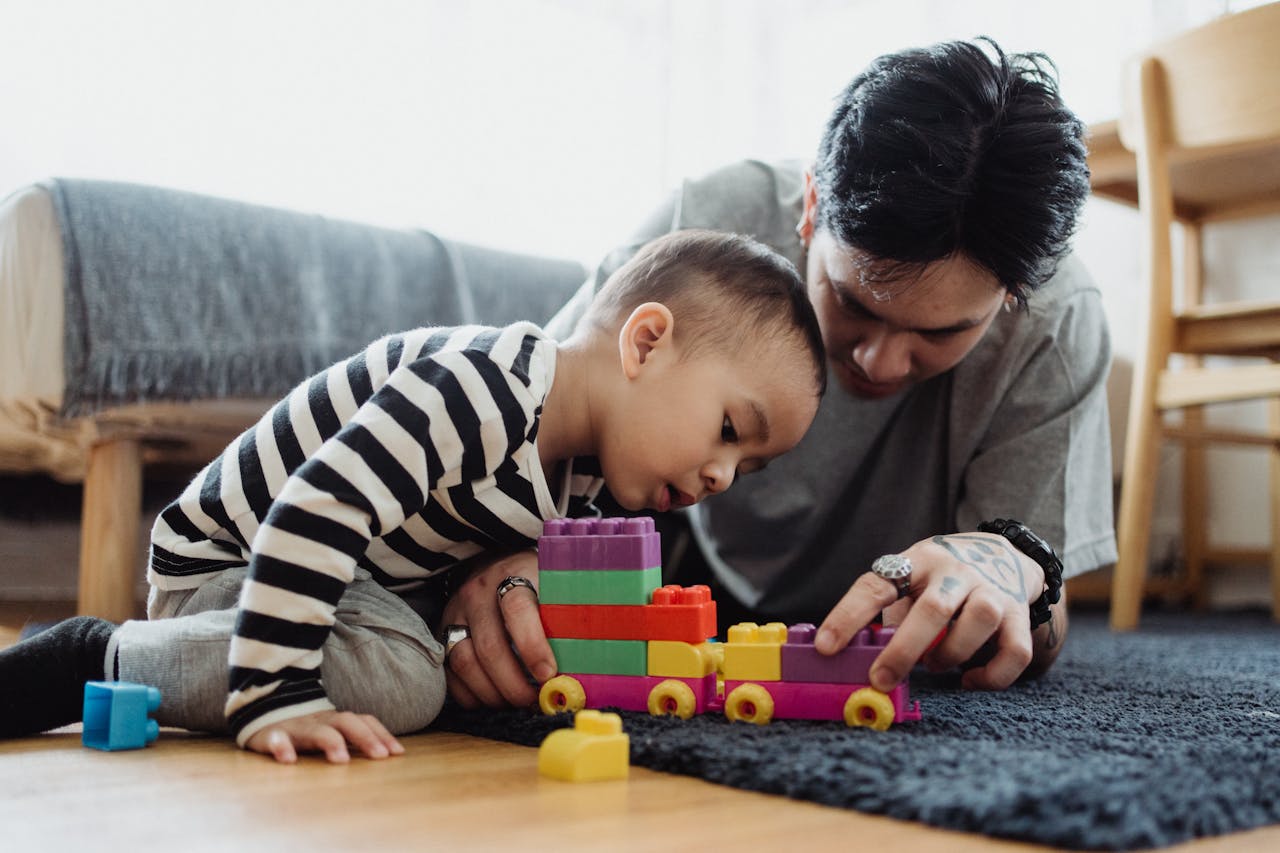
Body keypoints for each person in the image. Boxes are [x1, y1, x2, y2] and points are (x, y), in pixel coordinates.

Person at [442, 37, 1114, 709]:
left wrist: (1010, 574)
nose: (877, 360)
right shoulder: (702, 233)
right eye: (851, 302)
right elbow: (528, 422)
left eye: (939, 333)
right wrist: (498, 561)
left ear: (1013, 293)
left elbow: (1042, 629)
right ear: (812, 205)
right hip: (673, 577)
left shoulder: (1056, 325)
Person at [0, 229, 826, 762]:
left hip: (349, 585)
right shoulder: (483, 389)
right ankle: (92, 656)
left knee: (426, 661)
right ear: (647, 342)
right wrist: (278, 696)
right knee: (407, 682)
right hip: (234, 564)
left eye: (748, 468)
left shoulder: (581, 480)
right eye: (728, 428)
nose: (722, 477)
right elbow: (319, 507)